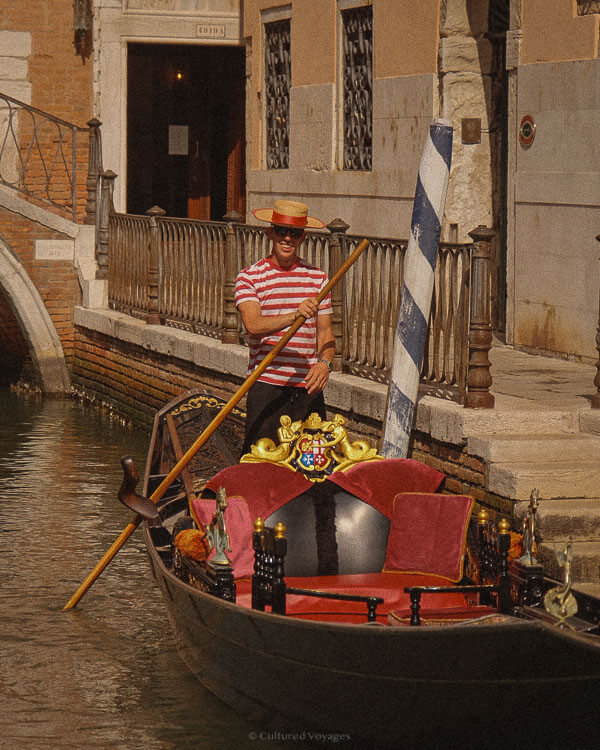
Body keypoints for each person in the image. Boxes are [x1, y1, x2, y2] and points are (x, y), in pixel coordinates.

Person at [235, 199, 334, 455]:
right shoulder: (250, 277)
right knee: (260, 463)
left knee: (312, 465)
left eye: (295, 233)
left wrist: (325, 364)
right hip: (266, 384)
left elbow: (325, 334)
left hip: (307, 388)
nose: (287, 238)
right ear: (270, 233)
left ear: (303, 237)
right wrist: (294, 315)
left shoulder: (318, 278)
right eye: (281, 231)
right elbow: (253, 326)